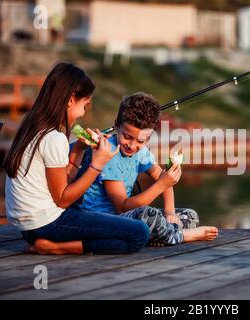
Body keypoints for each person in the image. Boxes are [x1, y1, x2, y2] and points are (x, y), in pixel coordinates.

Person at [3, 63, 150, 255]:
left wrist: (79, 148)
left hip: (28, 226)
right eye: (85, 105)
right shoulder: (54, 138)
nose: (83, 114)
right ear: (71, 99)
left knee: (112, 224)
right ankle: (54, 247)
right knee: (139, 233)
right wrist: (98, 164)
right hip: (47, 224)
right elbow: (63, 200)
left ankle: (57, 240)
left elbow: (63, 184)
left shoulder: (32, 128)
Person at [73, 92, 218, 245]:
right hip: (104, 219)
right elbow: (122, 207)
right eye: (127, 137)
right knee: (149, 214)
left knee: (190, 215)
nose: (132, 145)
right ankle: (180, 236)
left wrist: (170, 212)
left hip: (127, 217)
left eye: (141, 140)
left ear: (148, 138)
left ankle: (163, 234)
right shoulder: (109, 153)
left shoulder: (142, 152)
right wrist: (161, 184)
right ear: (116, 125)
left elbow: (162, 179)